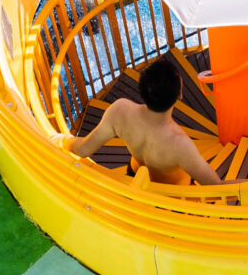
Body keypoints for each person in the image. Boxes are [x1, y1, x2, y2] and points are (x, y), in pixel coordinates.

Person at [62, 56, 228, 186]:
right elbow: (215, 186)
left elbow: (82, 150)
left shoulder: (120, 111)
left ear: (142, 88)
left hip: (134, 178)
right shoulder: (180, 145)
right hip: (173, 197)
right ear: (180, 95)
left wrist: (61, 140)